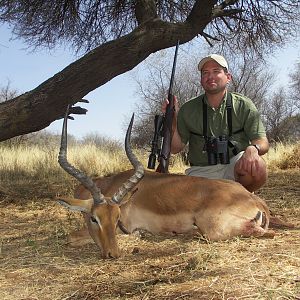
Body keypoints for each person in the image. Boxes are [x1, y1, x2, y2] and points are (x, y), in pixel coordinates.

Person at [162, 54, 269, 192]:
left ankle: (245, 199)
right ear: (201, 80)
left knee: (258, 167)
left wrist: (253, 149)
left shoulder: (244, 105)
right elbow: (175, 148)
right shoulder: (188, 109)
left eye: (216, 71)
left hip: (233, 168)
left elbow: (263, 142)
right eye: (205, 73)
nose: (210, 76)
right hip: (201, 172)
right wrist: (172, 119)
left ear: (228, 77)